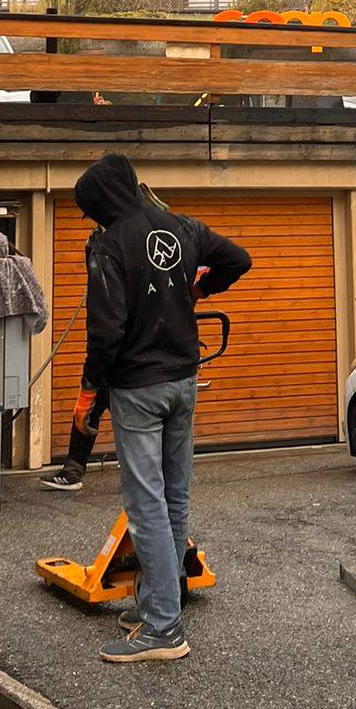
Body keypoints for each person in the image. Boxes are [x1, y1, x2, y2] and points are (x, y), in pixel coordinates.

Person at [72, 153, 250, 664]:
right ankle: (159, 603)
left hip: (139, 391)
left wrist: (91, 395)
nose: (95, 222)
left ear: (101, 203)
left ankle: (163, 630)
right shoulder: (182, 226)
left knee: (145, 503)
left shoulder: (108, 246)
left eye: (93, 213)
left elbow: (105, 332)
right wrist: (198, 288)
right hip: (183, 382)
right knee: (174, 498)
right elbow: (238, 259)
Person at [39, 181, 168, 496]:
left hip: (133, 352)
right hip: (114, 350)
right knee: (90, 406)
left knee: (129, 413)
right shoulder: (108, 242)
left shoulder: (144, 231)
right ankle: (73, 470)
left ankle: (152, 479)